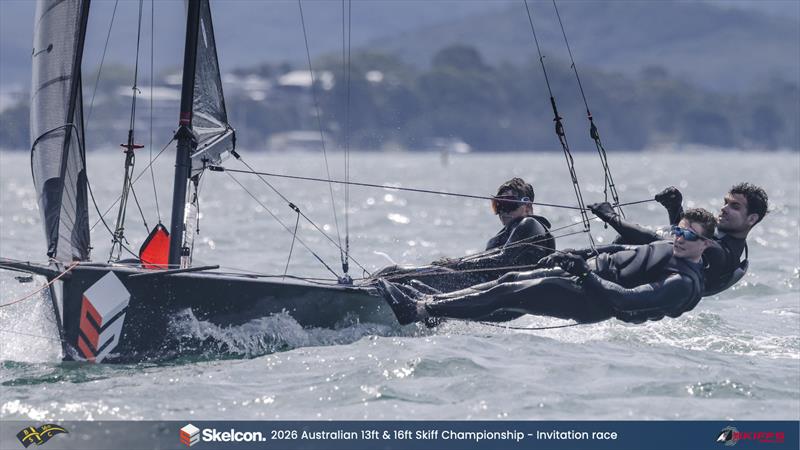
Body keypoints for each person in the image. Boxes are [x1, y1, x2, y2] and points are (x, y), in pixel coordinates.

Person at [376, 208, 716, 326]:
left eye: (689, 235)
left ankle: (419, 309)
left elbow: (626, 301)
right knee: (509, 279)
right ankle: (435, 306)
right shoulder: (669, 246)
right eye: (677, 230)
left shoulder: (681, 282)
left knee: (510, 291)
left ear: (705, 244)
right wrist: (574, 255)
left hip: (590, 300)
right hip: (583, 276)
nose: (679, 238)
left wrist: (582, 273)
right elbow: (618, 249)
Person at [373, 177, 555, 293]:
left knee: (395, 272)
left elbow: (502, 262)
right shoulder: (509, 232)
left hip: (487, 290)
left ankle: (359, 291)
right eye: (498, 206)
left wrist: (457, 264)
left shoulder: (529, 224)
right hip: (477, 287)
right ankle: (366, 289)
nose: (503, 212)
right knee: (399, 275)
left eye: (509, 205)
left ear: (528, 206)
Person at [590, 182, 768, 295]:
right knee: (626, 238)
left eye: (734, 207)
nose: (724, 208)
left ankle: (585, 269)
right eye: (725, 202)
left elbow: (659, 241)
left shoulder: (722, 254)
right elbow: (682, 242)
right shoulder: (723, 239)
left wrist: (611, 217)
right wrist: (674, 207)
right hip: (640, 271)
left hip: (641, 290)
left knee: (630, 238)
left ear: (751, 219)